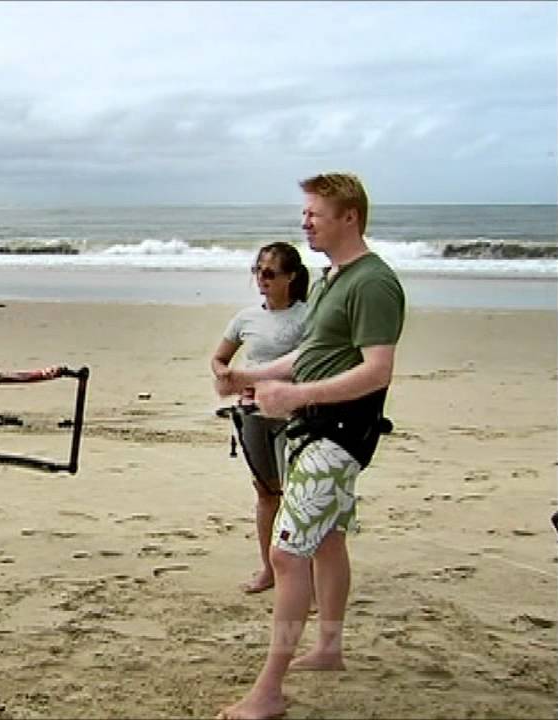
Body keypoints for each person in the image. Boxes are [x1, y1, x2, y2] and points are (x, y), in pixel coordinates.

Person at [215, 173, 405, 719]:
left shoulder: (373, 283)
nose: (305, 222)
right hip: (313, 431)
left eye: (315, 214)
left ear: (350, 218)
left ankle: (269, 690)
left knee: (287, 553)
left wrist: (295, 396)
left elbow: (377, 370)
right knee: (327, 542)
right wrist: (248, 377)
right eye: (304, 213)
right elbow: (310, 355)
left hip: (339, 436)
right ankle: (327, 648)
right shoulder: (328, 279)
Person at [210, 242, 309, 594]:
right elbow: (219, 358)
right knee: (266, 493)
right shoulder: (246, 318)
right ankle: (268, 569)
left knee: (299, 496)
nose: (261, 279)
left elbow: (312, 363)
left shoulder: (307, 316)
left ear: (291, 277)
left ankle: (301, 577)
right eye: (257, 271)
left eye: (270, 273)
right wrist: (225, 375)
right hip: (252, 414)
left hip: (294, 414)